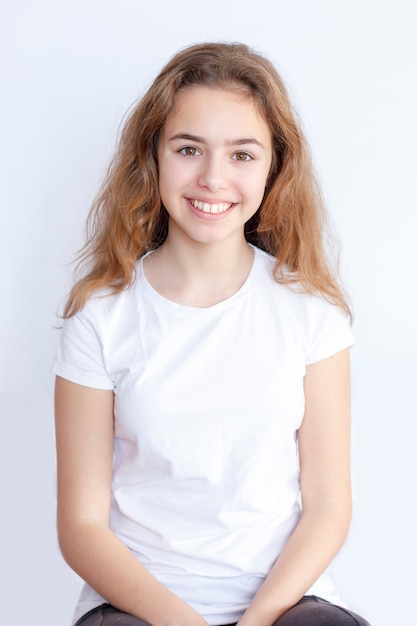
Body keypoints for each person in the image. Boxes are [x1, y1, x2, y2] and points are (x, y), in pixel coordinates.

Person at [53, 42, 371, 626]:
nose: (213, 178)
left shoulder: (312, 312)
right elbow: (81, 527)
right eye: (189, 149)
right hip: (139, 609)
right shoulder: (99, 317)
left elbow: (328, 505)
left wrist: (254, 623)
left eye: (242, 155)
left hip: (284, 604)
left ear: (274, 167)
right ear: (153, 156)